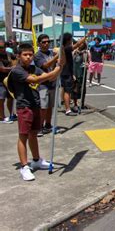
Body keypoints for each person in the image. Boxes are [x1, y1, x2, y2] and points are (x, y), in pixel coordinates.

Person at [9, 43, 63, 181]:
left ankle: (36, 160)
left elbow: (49, 77)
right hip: (24, 107)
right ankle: (24, 166)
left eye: (30, 54)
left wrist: (59, 67)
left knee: (33, 134)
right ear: (19, 56)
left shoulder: (34, 68)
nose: (28, 57)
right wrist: (56, 69)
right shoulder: (17, 71)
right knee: (23, 136)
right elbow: (36, 79)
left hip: (35, 105)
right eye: (25, 55)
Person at [34, 34, 59, 134]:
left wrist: (60, 54)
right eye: (44, 42)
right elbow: (45, 65)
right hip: (43, 84)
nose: (47, 43)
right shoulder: (37, 55)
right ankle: (39, 127)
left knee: (50, 106)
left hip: (52, 83)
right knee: (43, 107)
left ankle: (48, 124)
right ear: (39, 43)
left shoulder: (51, 52)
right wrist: (57, 56)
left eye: (48, 41)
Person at [61, 32, 89, 116]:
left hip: (66, 72)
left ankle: (68, 107)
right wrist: (85, 37)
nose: (71, 41)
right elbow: (76, 45)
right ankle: (68, 109)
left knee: (67, 90)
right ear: (68, 40)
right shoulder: (66, 48)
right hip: (67, 72)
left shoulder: (63, 48)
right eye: (70, 39)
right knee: (67, 91)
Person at [0, 40, 14, 124]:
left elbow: (15, 59)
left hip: (8, 80)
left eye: (3, 47)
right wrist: (14, 68)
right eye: (0, 47)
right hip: (0, 81)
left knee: (10, 97)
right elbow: (2, 69)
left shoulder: (8, 54)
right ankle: (2, 117)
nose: (1, 49)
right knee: (1, 99)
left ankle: (12, 114)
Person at [72, 43, 87, 112]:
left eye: (82, 44)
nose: (80, 45)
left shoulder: (86, 52)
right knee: (75, 89)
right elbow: (71, 61)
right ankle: (75, 104)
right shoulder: (74, 52)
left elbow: (87, 61)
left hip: (82, 73)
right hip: (75, 73)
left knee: (82, 89)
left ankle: (82, 104)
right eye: (79, 43)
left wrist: (84, 54)